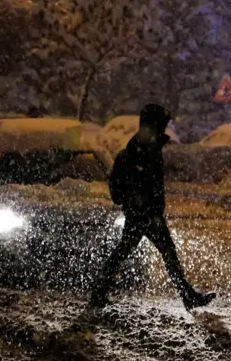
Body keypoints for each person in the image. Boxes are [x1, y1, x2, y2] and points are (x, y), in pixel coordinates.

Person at [90, 104, 215, 311]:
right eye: (163, 124)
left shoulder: (145, 149)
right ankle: (187, 296)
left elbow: (129, 188)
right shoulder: (142, 151)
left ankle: (98, 293)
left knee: (127, 253)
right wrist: (143, 204)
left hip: (145, 213)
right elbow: (131, 188)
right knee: (161, 254)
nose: (165, 128)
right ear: (154, 124)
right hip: (145, 214)